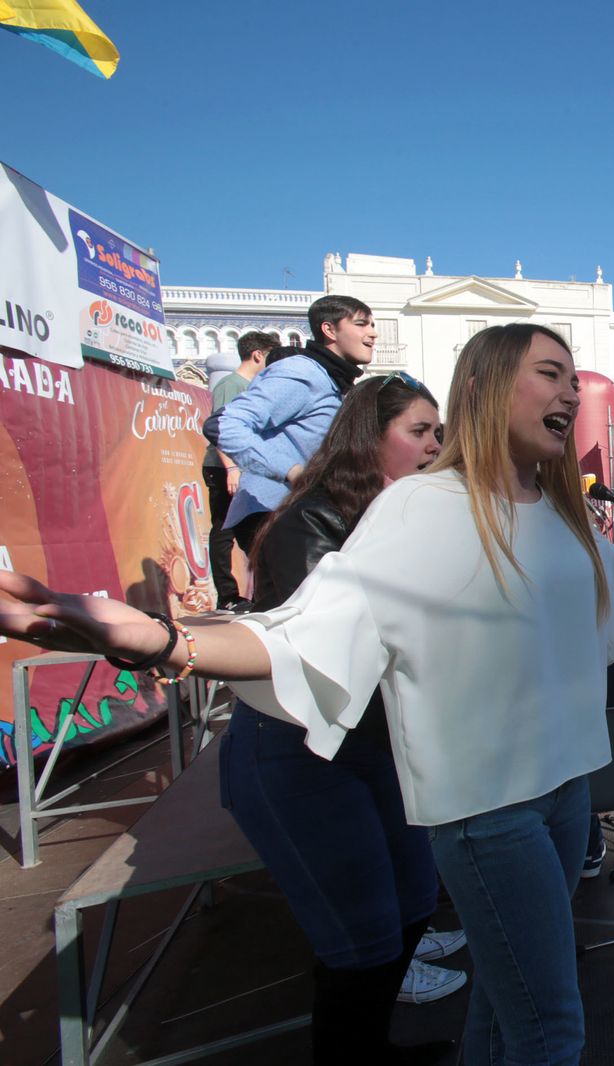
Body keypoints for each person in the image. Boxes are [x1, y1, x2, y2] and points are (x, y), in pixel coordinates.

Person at [1, 323, 614, 1066]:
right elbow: (307, 632)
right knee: (552, 1029)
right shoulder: (420, 508)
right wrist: (166, 642)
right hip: (489, 813)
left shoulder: (559, 517)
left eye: (573, 379)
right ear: (481, 389)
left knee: (502, 1002)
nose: (570, 392)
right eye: (550, 373)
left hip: (563, 793)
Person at [218, 373, 453, 1062]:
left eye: (438, 432)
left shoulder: (398, 515)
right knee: (365, 939)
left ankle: (370, 1046)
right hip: (302, 752)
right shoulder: (308, 523)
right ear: (367, 438)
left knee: (413, 902)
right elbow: (333, 653)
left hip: (374, 746)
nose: (436, 446)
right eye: (419, 431)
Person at [216, 295, 378, 553]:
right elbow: (227, 425)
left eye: (372, 325)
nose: (373, 333)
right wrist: (291, 471)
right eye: (361, 324)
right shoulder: (302, 372)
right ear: (329, 329)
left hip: (299, 512)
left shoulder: (333, 382)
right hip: (273, 512)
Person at [204, 330, 275, 611]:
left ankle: (260, 591)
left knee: (254, 530)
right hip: (225, 468)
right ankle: (228, 595)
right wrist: (231, 467)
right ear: (258, 355)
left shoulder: (255, 388)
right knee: (223, 530)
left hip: (247, 469)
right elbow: (219, 428)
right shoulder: (230, 384)